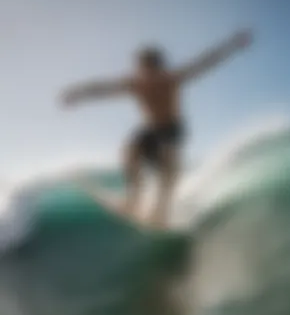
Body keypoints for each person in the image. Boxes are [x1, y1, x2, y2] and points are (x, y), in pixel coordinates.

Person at [61, 29, 253, 228]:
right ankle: (134, 199)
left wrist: (232, 45)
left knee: (169, 162)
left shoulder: (172, 78)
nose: (144, 74)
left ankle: (161, 211)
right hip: (150, 130)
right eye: (140, 68)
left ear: (157, 66)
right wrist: (77, 94)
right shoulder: (135, 84)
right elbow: (103, 88)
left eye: (147, 68)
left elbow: (205, 62)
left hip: (173, 129)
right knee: (130, 151)